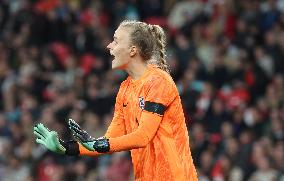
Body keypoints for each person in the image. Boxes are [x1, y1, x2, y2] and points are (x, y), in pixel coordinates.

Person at [33, 20, 198, 181]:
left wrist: (101, 145)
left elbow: (143, 136)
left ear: (133, 50)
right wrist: (67, 148)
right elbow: (108, 141)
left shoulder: (158, 81)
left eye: (116, 41)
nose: (109, 46)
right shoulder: (125, 90)